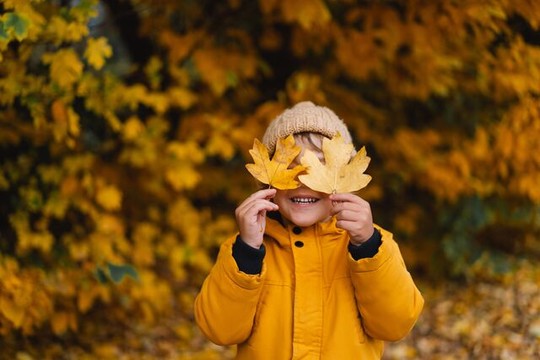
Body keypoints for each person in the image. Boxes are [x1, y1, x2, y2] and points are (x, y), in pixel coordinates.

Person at [194, 101, 424, 359]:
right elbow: (219, 330)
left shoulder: (374, 246)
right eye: (290, 168)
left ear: (344, 178)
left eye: (321, 167)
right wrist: (247, 253)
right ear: (267, 180)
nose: (304, 182)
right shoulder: (244, 251)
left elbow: (396, 324)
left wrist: (366, 246)